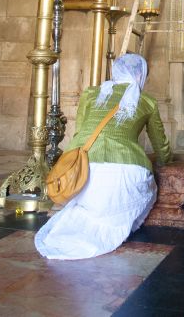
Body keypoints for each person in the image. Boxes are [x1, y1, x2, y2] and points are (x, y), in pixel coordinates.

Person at [35, 53, 172, 260]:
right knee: (149, 189)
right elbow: (159, 143)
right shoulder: (147, 101)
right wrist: (166, 161)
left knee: (85, 210)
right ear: (140, 75)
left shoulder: (91, 93)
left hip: (83, 173)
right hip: (125, 174)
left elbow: (80, 133)